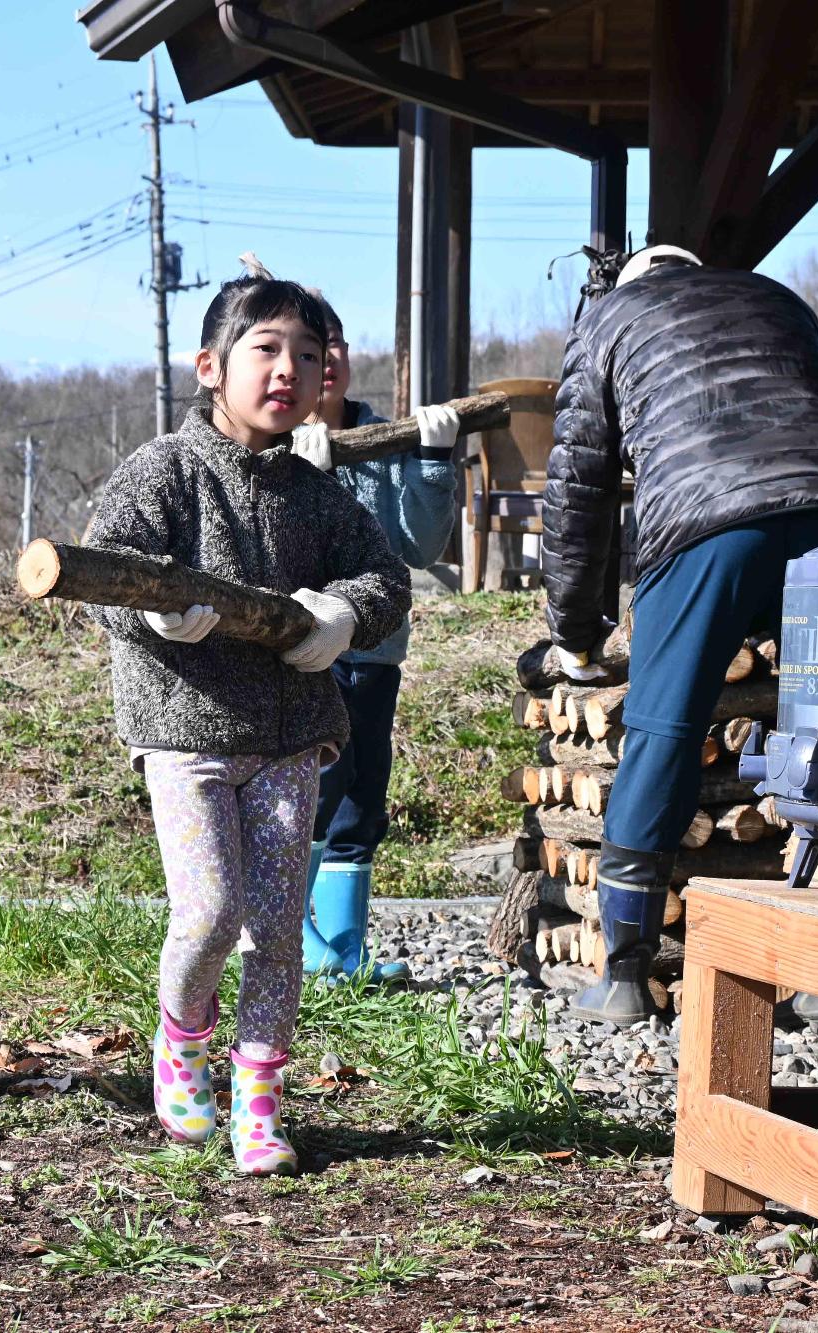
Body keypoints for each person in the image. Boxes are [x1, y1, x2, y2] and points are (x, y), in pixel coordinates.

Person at [84, 272, 412, 1174]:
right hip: (184, 730)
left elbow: (384, 577)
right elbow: (105, 568)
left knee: (275, 926)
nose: (289, 370)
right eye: (266, 349)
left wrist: (342, 616)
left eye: (310, 356)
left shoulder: (316, 493)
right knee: (211, 910)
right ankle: (181, 1044)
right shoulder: (164, 469)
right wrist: (152, 608)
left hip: (293, 735)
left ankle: (259, 1100)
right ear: (209, 366)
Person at [541, 244, 818, 1026]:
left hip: (706, 521)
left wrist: (574, 629)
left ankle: (625, 976)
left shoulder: (608, 319)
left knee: (664, 729)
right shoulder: (779, 296)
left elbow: (577, 490)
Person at [286, 294, 460, 982]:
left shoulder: (382, 437)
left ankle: (344, 953)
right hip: (305, 655)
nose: (324, 361)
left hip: (377, 651)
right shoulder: (275, 448)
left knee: (361, 794)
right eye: (306, 348)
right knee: (315, 793)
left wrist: (436, 460)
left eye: (333, 345)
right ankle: (292, 942)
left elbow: (418, 547)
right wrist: (309, 477)